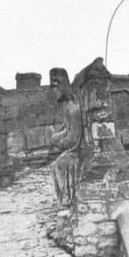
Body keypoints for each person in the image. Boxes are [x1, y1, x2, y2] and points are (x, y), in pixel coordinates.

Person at [49, 68, 83, 209]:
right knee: (54, 165)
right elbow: (65, 128)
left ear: (61, 86)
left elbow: (73, 138)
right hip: (71, 148)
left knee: (59, 164)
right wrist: (55, 135)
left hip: (76, 151)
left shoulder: (73, 109)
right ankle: (62, 199)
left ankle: (67, 199)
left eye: (55, 87)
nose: (53, 92)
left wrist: (57, 141)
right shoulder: (66, 107)